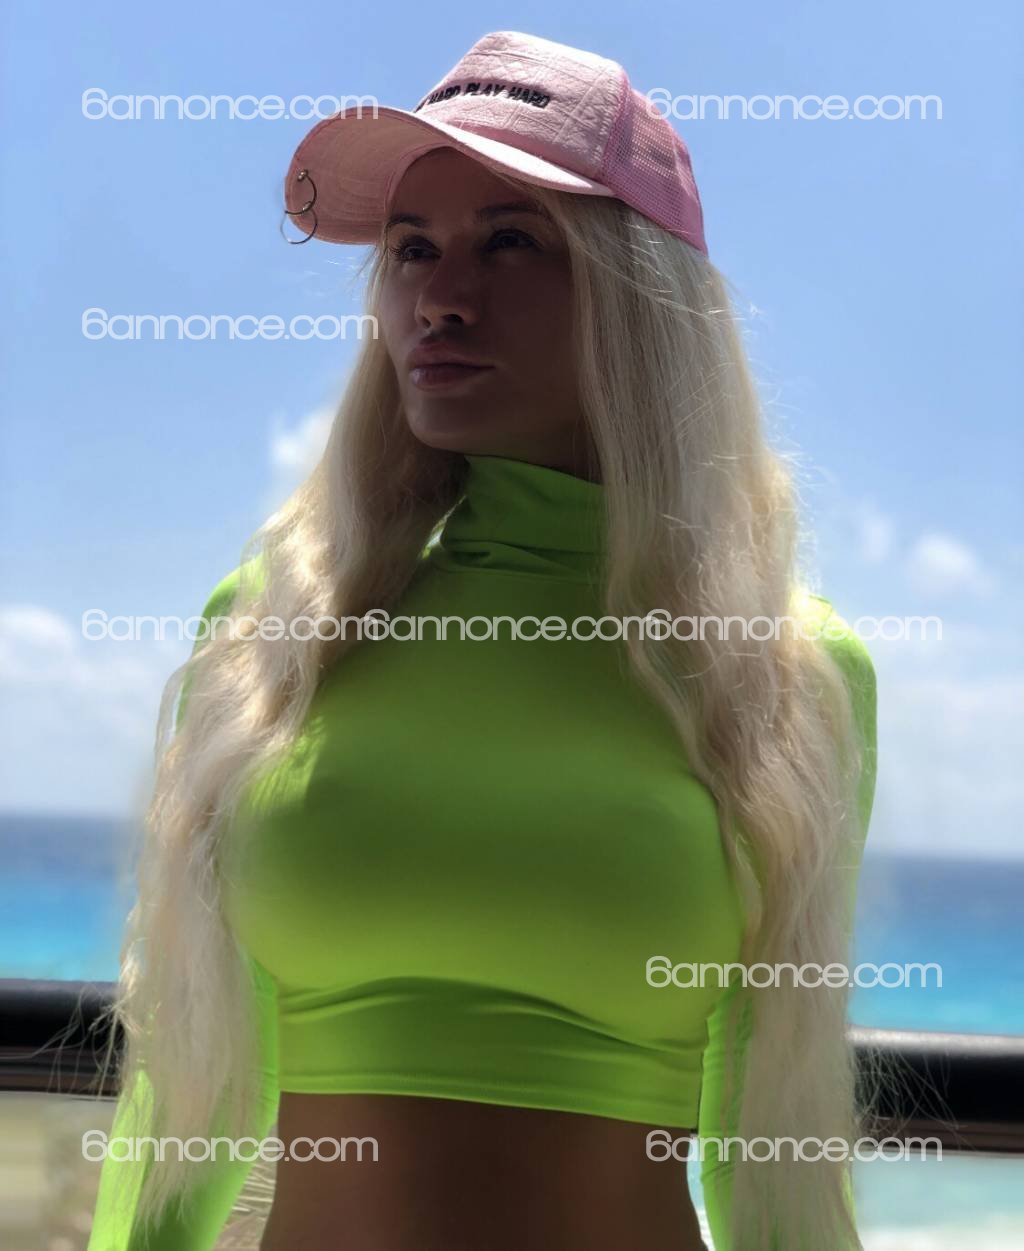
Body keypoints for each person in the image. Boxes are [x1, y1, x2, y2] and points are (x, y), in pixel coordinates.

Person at [85, 30, 878, 1251]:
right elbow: (190, 1103)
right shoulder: (281, 629)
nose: (439, 298)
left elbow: (766, 1153)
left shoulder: (777, 668)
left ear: (640, 292)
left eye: (511, 240)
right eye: (412, 250)